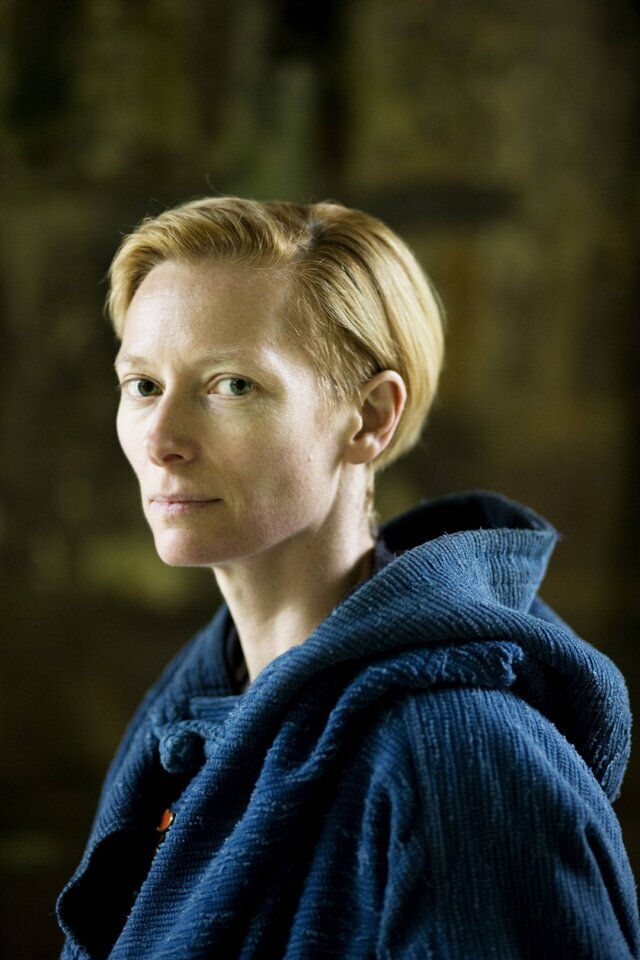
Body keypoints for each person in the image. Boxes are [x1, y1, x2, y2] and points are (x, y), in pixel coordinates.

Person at [56, 197, 639, 959]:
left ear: (369, 417)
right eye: (142, 385)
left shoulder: (454, 759)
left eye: (232, 385)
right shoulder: (184, 726)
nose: (161, 439)